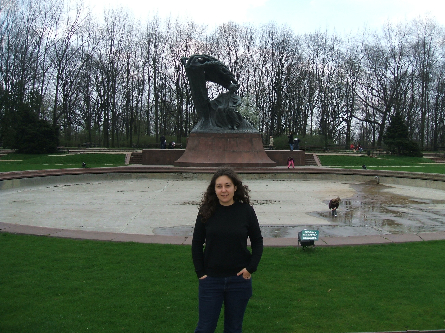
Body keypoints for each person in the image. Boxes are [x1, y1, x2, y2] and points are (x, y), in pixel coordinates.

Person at [192, 168, 263, 333]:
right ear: (214, 189)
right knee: (205, 328)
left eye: (227, 185)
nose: (223, 190)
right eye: (219, 186)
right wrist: (200, 272)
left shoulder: (246, 211)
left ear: (235, 188)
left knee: (233, 328)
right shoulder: (206, 211)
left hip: (239, 280)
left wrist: (250, 268)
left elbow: (257, 242)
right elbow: (196, 244)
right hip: (211, 280)